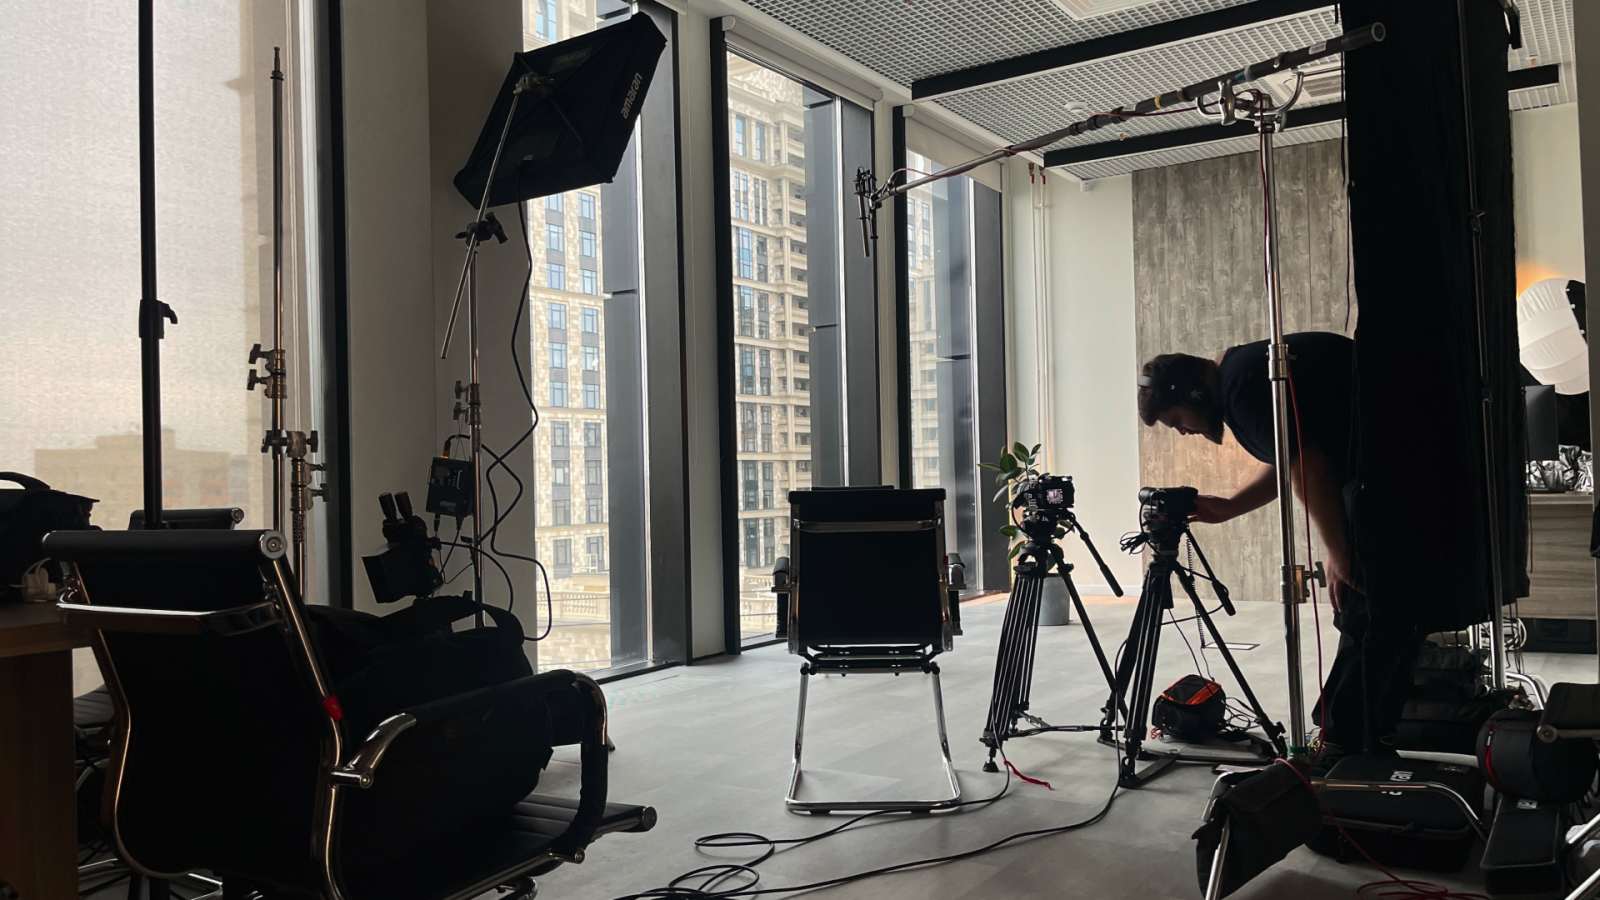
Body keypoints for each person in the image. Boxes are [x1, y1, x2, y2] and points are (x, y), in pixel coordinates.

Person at [1137, 331, 1422, 765]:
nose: (1183, 431)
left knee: (1368, 614)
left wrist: (1339, 552)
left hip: (1386, 482)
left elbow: (1306, 465)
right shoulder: (1244, 375)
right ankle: (1369, 737)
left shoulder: (1243, 389)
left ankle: (1342, 745)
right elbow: (1287, 458)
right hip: (1399, 474)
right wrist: (1230, 506)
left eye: (1176, 420)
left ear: (1195, 393)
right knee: (1390, 616)